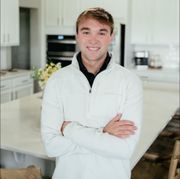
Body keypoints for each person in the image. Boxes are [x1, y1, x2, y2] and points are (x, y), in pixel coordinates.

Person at [41, 7, 143, 179]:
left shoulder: (130, 81)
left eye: (101, 33)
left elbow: (124, 149)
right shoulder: (57, 81)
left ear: (111, 36)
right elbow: (52, 146)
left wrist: (70, 129)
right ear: (77, 35)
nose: (93, 40)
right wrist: (104, 132)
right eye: (86, 32)